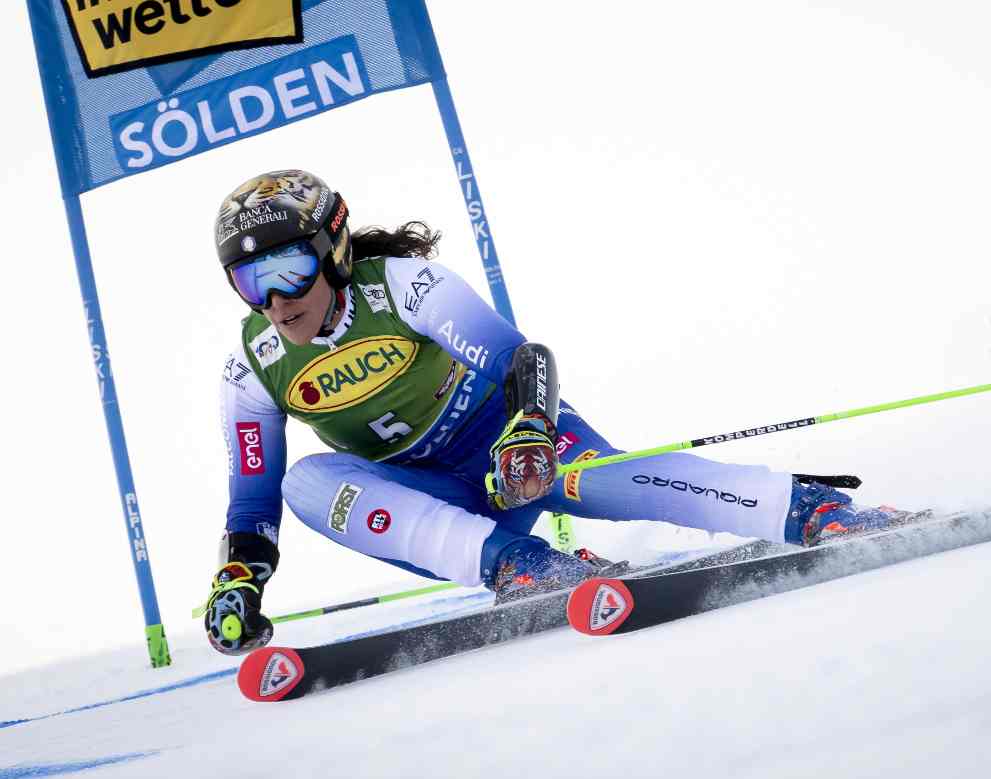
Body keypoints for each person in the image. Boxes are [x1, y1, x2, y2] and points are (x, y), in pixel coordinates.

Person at [204, 169, 919, 655]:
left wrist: (529, 432)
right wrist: (239, 580)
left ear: (332, 249)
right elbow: (253, 507)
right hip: (441, 505)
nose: (274, 298)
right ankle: (522, 566)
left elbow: (523, 360)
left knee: (592, 479)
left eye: (287, 268)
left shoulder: (405, 286)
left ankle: (810, 510)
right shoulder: (252, 364)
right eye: (249, 280)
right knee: (307, 484)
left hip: (511, 448)